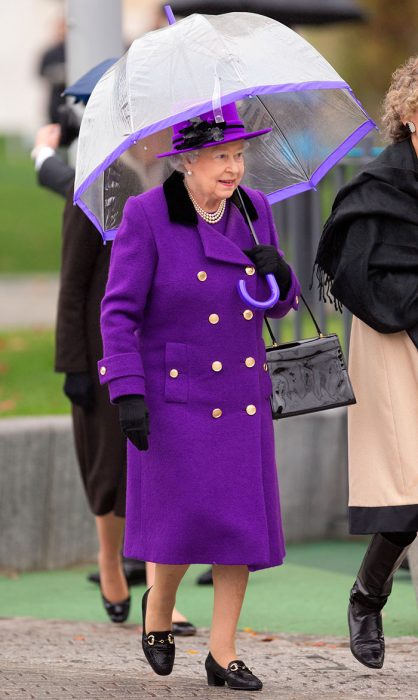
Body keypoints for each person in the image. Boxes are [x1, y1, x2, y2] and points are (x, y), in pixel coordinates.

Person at [98, 102, 300, 689]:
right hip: (175, 397)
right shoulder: (147, 215)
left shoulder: (255, 210)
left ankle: (223, 650)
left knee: (237, 528)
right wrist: (127, 391)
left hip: (239, 392)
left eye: (239, 156)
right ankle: (158, 608)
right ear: (188, 161)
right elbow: (119, 312)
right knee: (183, 523)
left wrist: (279, 275)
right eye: (221, 157)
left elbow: (278, 304)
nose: (234, 168)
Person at [31, 125, 196, 634]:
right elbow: (74, 285)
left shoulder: (181, 180)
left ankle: (159, 597)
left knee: (157, 471)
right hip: (106, 348)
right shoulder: (99, 185)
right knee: (109, 469)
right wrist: (73, 364)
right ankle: (109, 561)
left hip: (162, 348)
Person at [313, 56, 418, 670]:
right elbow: (355, 275)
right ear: (409, 115)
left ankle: (367, 594)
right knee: (408, 489)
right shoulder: (376, 187)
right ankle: (367, 596)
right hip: (392, 341)